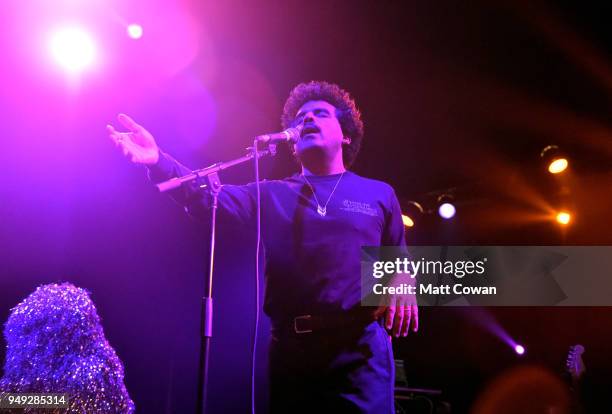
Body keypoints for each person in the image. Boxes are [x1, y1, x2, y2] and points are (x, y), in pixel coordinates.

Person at [107, 80, 418, 413]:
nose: (308, 120)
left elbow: (398, 258)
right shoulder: (273, 193)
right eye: (300, 118)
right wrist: (157, 160)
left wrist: (403, 279)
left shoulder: (379, 193)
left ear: (345, 134)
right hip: (294, 353)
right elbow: (207, 196)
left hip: (361, 354)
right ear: (293, 144)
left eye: (320, 114)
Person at [0, 282, 135, 413]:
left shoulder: (94, 368)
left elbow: (72, 403)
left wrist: (9, 401)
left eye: (31, 332)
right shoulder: (32, 367)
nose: (26, 344)